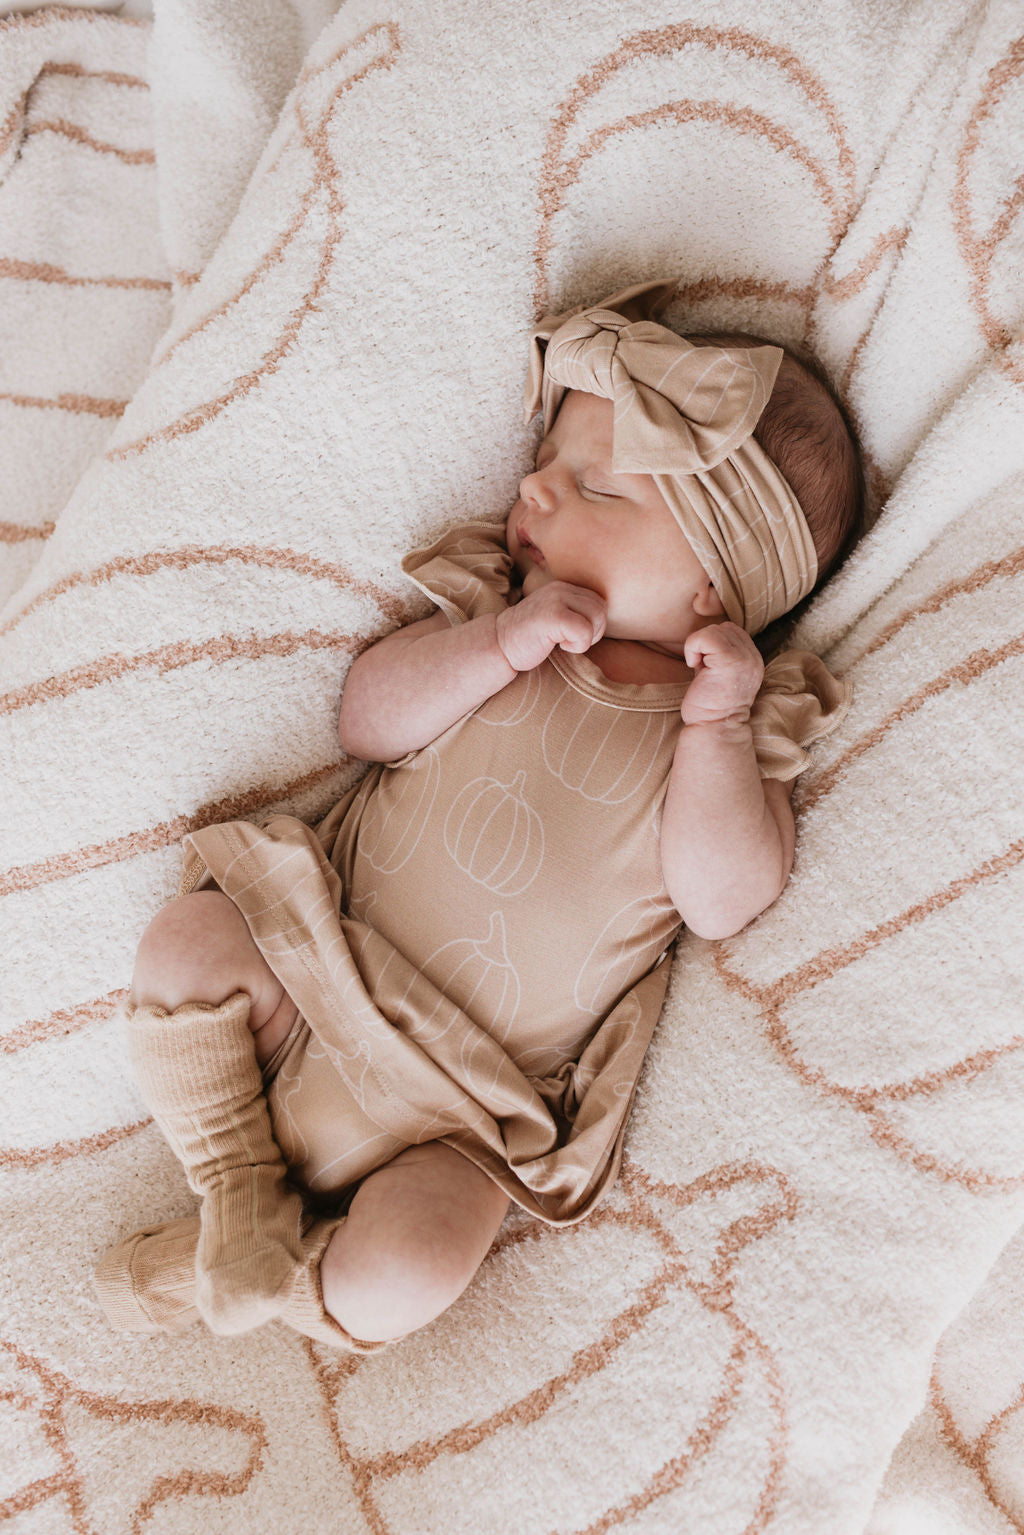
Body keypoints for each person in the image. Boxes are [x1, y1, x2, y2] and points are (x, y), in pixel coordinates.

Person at [94, 278, 859, 1354]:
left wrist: (721, 722)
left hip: (463, 1115)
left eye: (594, 485)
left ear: (712, 586)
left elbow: (723, 899)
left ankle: (253, 1265)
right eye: (544, 466)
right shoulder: (493, 615)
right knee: (191, 939)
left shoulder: (723, 727)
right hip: (314, 976)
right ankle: (234, 1177)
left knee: (412, 1264)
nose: (535, 493)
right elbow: (366, 720)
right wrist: (494, 647)